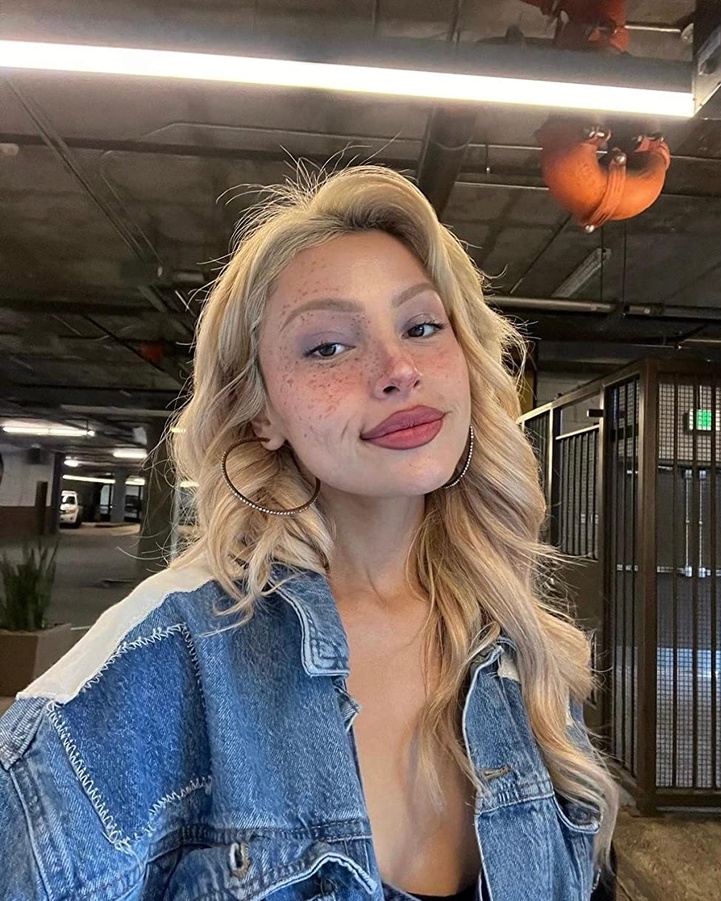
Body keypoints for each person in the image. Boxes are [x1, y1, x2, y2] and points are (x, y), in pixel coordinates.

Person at [0, 165, 618, 901]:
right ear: (260, 411)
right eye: (328, 346)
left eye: (423, 327)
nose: (398, 369)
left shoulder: (517, 642)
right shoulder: (162, 662)